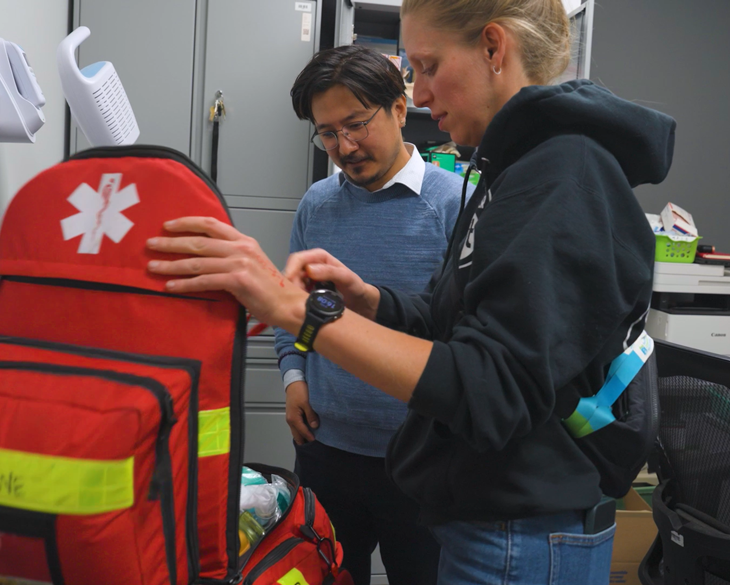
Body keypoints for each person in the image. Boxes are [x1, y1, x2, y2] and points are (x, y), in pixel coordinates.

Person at [146, 0, 676, 582]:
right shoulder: (515, 172)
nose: (420, 93)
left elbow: (491, 386)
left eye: (426, 66)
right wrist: (369, 300)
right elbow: (463, 323)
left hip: (518, 533)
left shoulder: (561, 175)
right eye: (329, 132)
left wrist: (299, 311)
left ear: (494, 49)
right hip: (480, 513)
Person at [274, 45, 466, 585]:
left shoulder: (454, 204)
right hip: (326, 448)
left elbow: (465, 333)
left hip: (421, 457)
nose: (345, 146)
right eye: (328, 133)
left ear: (400, 109)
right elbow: (297, 309)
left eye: (356, 124)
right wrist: (293, 377)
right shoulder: (317, 203)